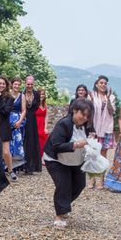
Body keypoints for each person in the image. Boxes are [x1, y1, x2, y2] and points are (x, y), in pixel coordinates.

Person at [43, 98, 94, 228]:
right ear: (75, 110)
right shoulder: (64, 124)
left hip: (75, 160)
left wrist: (92, 140)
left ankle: (63, 204)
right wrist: (76, 144)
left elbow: (91, 138)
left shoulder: (87, 125)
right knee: (64, 184)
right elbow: (56, 146)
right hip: (56, 159)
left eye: (87, 116)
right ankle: (59, 216)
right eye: (82, 114)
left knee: (79, 184)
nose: (85, 118)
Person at [88, 75, 116, 189]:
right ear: (96, 84)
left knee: (103, 156)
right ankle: (92, 179)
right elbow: (89, 111)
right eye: (101, 83)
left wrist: (108, 99)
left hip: (106, 129)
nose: (103, 85)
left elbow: (112, 111)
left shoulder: (111, 97)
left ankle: (101, 180)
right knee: (93, 155)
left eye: (105, 83)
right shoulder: (92, 96)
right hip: (94, 129)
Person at [22, 76, 42, 173]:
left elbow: (37, 106)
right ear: (25, 83)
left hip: (32, 120)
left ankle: (32, 166)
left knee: (32, 142)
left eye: (31, 84)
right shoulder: (21, 94)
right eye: (28, 84)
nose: (29, 86)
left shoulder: (36, 94)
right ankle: (22, 166)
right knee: (23, 141)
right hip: (23, 119)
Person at [9, 77, 27, 174]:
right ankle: (6, 165)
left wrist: (20, 121)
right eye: (15, 84)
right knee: (8, 144)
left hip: (17, 121)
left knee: (17, 143)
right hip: (7, 120)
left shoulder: (22, 96)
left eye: (19, 85)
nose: (17, 86)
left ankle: (15, 167)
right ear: (12, 84)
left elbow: (24, 110)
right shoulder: (7, 94)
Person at [36, 87, 50, 154]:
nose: (41, 96)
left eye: (43, 94)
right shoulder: (35, 104)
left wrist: (45, 127)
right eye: (40, 94)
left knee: (44, 142)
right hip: (36, 125)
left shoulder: (45, 104)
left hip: (42, 125)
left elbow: (46, 116)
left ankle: (42, 159)